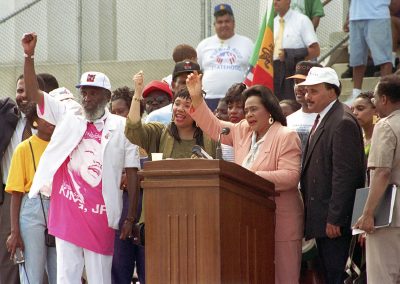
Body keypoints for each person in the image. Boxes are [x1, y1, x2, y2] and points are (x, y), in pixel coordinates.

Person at [22, 32, 141, 284]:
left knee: (99, 278)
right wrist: (29, 56)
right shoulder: (68, 116)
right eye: (84, 93)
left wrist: (130, 218)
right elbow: (34, 93)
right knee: (66, 277)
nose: (87, 98)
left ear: (107, 97)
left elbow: (132, 171)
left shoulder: (122, 126)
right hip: (67, 211)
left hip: (101, 214)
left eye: (93, 93)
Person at [187, 72, 304, 283]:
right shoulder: (243, 130)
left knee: (283, 278)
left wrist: (246, 176)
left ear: (269, 110)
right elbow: (214, 126)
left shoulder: (286, 135)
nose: (248, 115)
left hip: (281, 222)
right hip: (250, 221)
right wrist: (196, 97)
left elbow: (290, 177)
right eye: (246, 109)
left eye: (253, 109)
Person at [299, 67, 365, 284]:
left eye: (314, 91)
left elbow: (345, 176)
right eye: (306, 91)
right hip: (321, 220)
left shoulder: (342, 121)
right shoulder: (324, 118)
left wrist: (335, 218)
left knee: (338, 275)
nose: (308, 96)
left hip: (334, 224)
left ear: (332, 92)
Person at [353, 75, 400, 283]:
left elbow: (381, 172)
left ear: (384, 100)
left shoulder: (385, 126)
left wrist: (368, 213)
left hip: (390, 212)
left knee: (382, 276)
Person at [0, 74, 45, 284]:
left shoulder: (49, 129)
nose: (23, 96)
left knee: (44, 259)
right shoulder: (8, 121)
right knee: (8, 257)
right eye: (19, 91)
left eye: (29, 90)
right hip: (10, 197)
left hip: (45, 199)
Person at [5, 104, 56, 284]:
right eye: (46, 116)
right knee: (32, 273)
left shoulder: (62, 146)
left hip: (60, 208)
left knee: (60, 273)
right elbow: (16, 193)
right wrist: (14, 232)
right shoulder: (24, 148)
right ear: (35, 120)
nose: (52, 121)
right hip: (32, 207)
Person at [126, 71, 216, 160]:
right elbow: (134, 130)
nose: (180, 109)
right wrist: (137, 93)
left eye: (187, 105)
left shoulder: (212, 138)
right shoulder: (159, 132)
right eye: (177, 103)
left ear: (199, 112)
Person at [109, 86, 145, 284]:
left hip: (146, 209)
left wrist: (136, 176)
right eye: (113, 112)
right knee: (118, 268)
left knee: (147, 266)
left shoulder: (152, 134)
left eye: (121, 111)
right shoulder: (110, 139)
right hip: (120, 210)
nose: (117, 116)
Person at [196, 3, 253, 111]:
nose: (223, 25)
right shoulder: (204, 45)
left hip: (238, 99)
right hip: (209, 98)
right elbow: (196, 71)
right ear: (214, 25)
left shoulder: (247, 43)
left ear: (234, 23)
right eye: (220, 22)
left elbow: (254, 71)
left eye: (227, 21)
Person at [344, 0, 393, 103]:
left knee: (384, 59)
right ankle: (356, 94)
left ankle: (386, 94)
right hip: (355, 16)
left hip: (378, 15)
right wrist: (349, 15)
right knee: (357, 60)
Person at [273, 0, 320, 101]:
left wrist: (289, 54)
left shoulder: (302, 20)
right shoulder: (272, 24)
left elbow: (315, 50)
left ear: (288, 1)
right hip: (274, 73)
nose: (275, 2)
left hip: (294, 72)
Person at [145, 60, 201, 125]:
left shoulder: (210, 114)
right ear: (173, 85)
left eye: (193, 82)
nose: (189, 86)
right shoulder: (156, 117)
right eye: (184, 82)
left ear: (201, 84)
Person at [286, 61, 321, 152]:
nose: (298, 87)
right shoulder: (288, 120)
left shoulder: (328, 117)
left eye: (304, 82)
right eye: (296, 82)